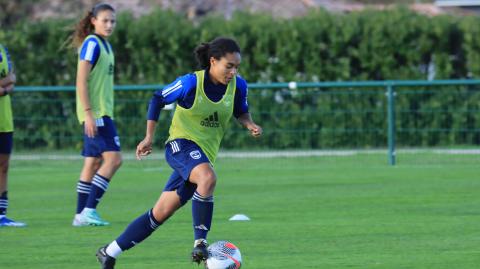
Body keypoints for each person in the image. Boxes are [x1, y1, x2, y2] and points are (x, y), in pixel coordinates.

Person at [96, 37, 262, 268]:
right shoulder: (191, 83)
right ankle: (201, 242)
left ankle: (109, 251)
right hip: (180, 146)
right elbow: (157, 98)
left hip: (202, 156)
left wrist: (249, 124)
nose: (233, 72)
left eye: (237, 67)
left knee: (160, 213)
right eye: (229, 66)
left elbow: (241, 112)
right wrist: (148, 137)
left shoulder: (239, 86)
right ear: (213, 61)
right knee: (208, 177)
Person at [70, 3, 122, 227]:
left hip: (101, 112)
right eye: (105, 20)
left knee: (92, 163)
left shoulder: (105, 45)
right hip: (96, 113)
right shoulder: (92, 43)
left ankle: (80, 215)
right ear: (93, 20)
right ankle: (89, 210)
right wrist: (89, 114)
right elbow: (81, 80)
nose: (109, 25)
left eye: (112, 21)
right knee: (114, 159)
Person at [0, 46, 26, 227]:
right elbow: (9, 80)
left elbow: (12, 78)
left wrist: (6, 84)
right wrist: (6, 84)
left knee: (3, 167)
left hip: (5, 120)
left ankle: (1, 215)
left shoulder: (3, 49)